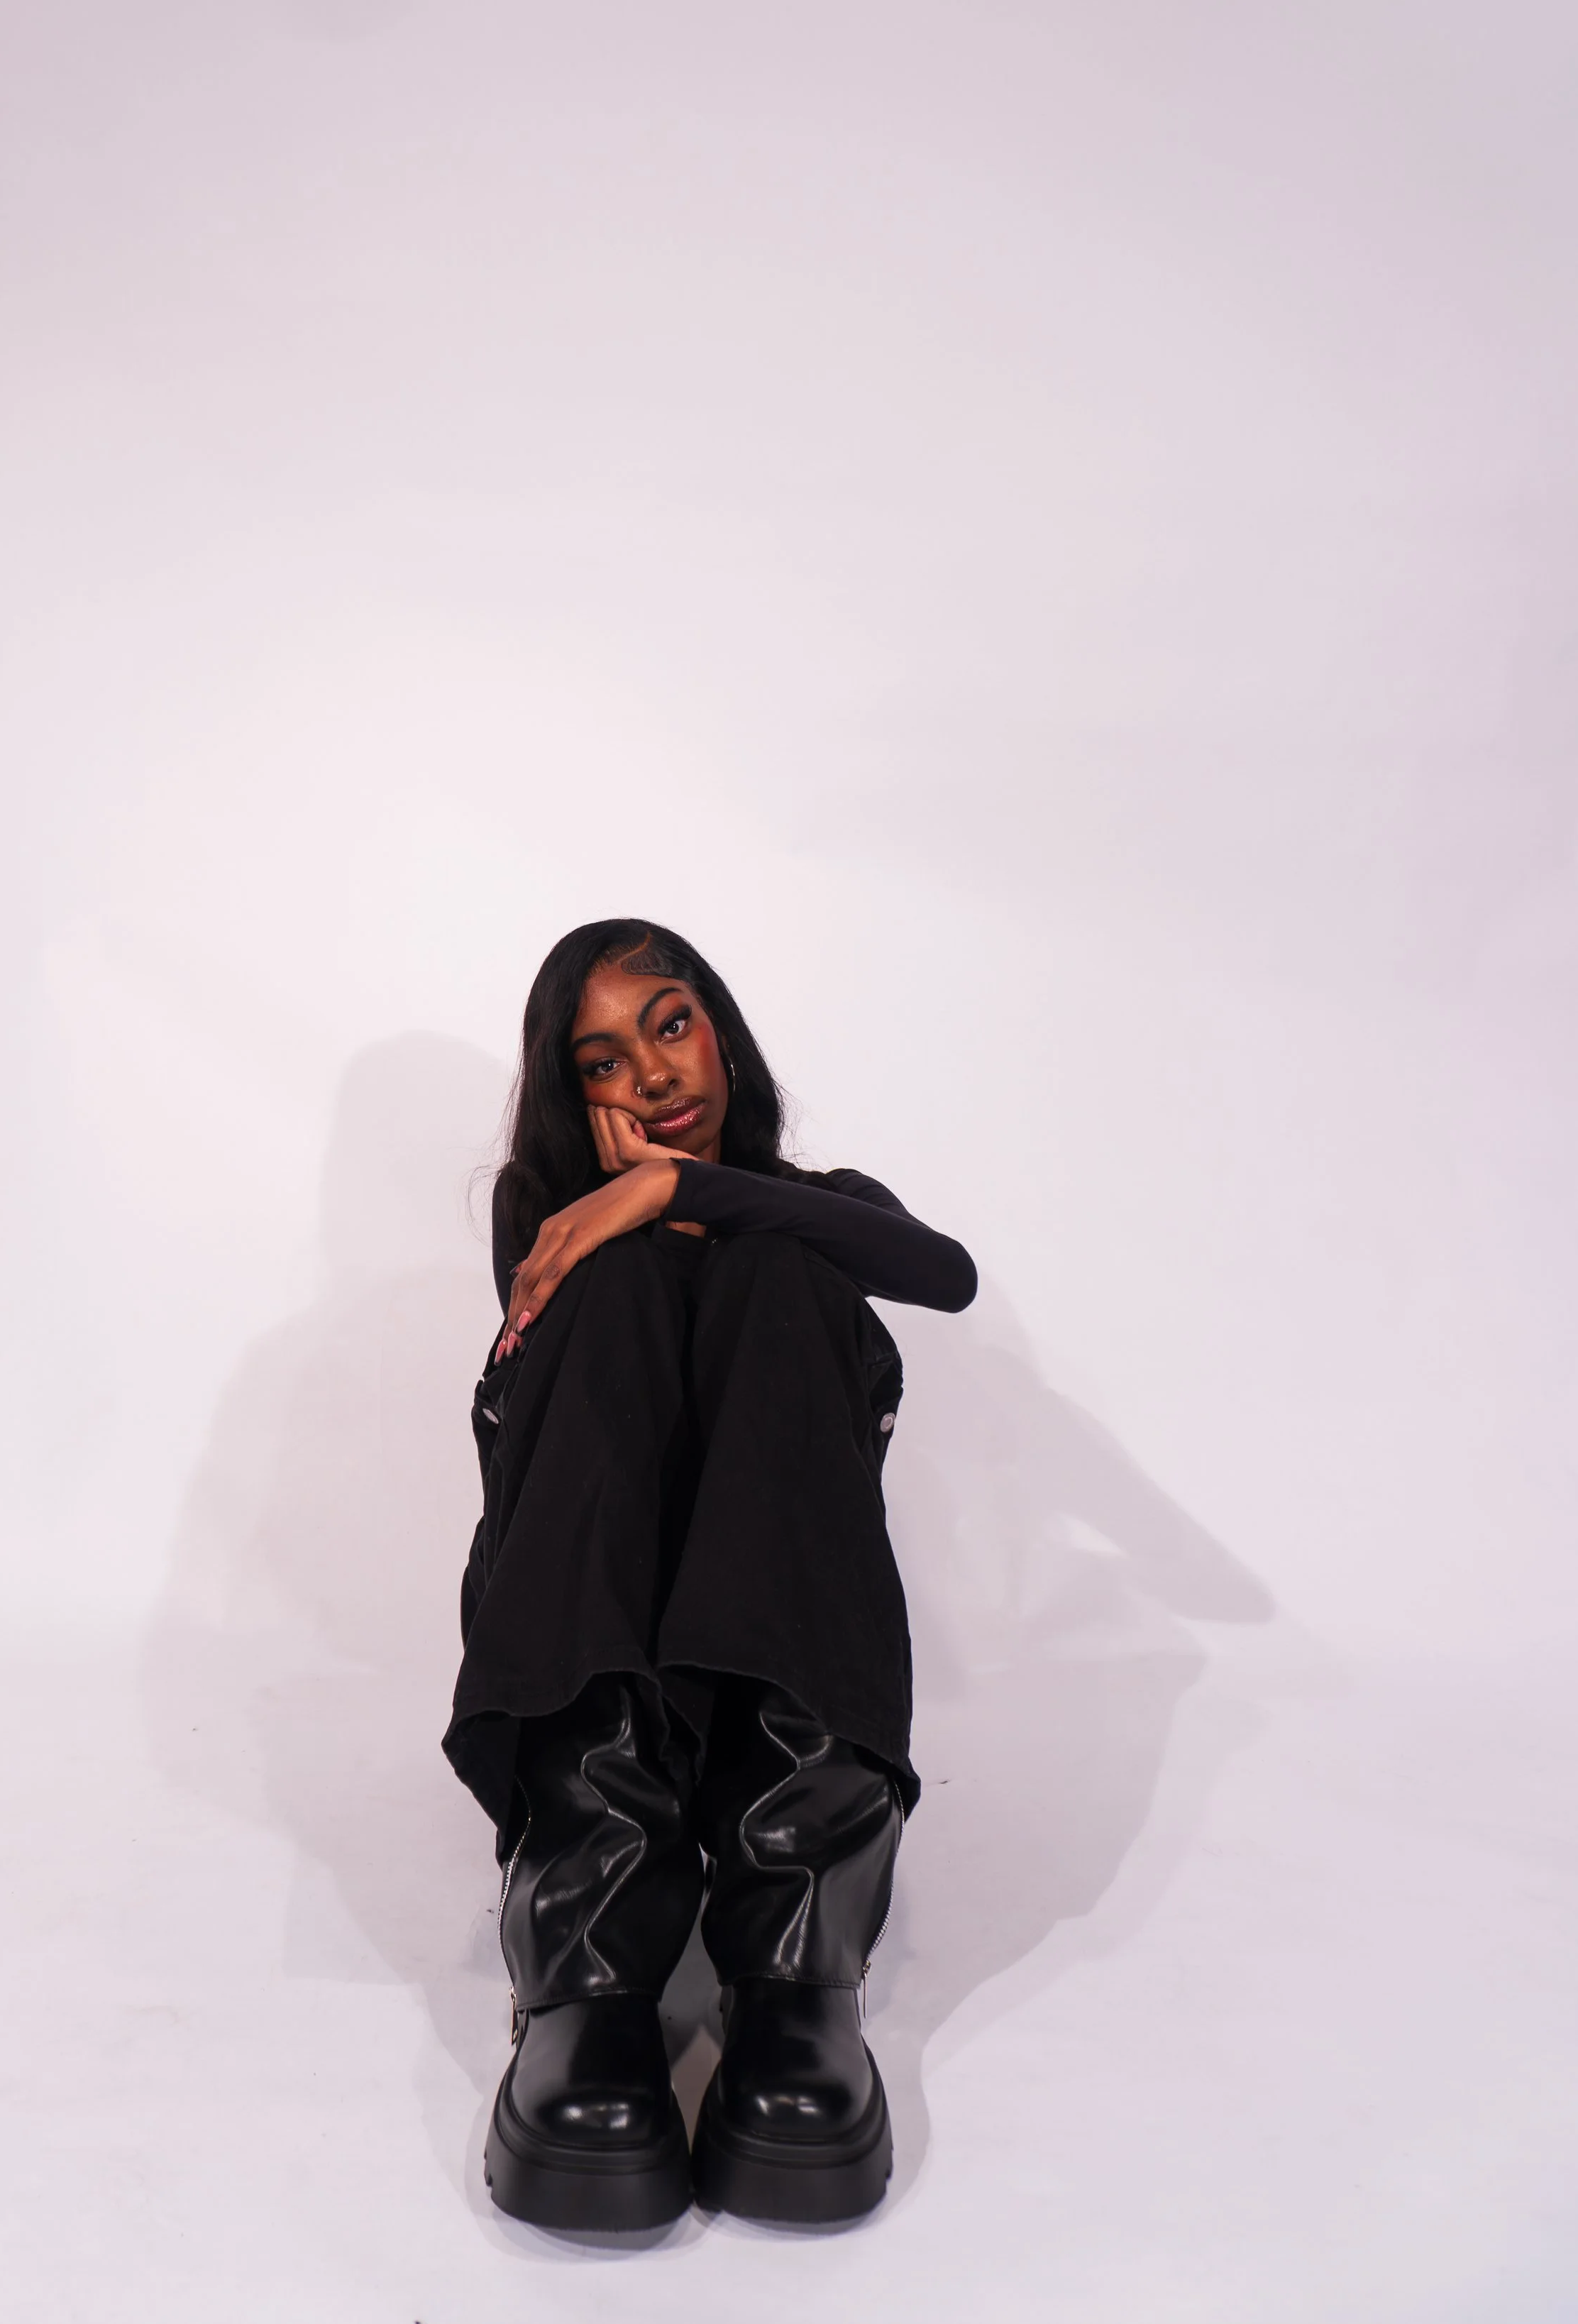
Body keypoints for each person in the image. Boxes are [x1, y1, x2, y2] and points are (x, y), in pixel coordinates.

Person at [443, 919, 976, 2231]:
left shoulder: (822, 1208)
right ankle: (590, 1952)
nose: (656, 1075)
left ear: (722, 1033)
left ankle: (796, 1960)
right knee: (618, 1286)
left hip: (777, 1611)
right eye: (604, 1062)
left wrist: (687, 1192)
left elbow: (944, 1276)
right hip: (592, 1595)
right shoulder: (555, 1220)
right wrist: (636, 1213)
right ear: (577, 1103)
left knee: (787, 1274)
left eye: (671, 1025)